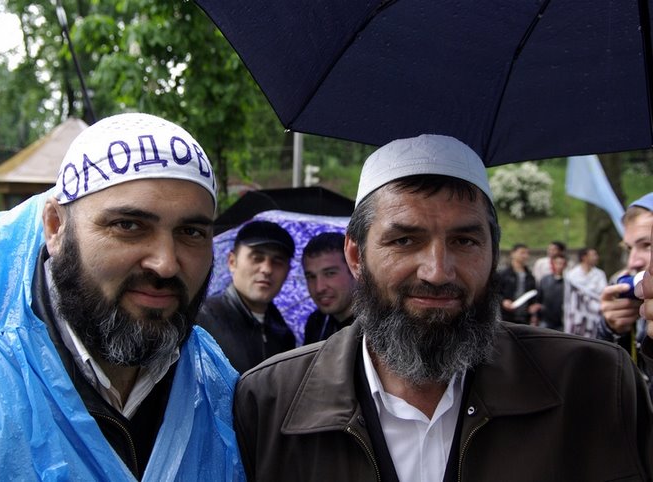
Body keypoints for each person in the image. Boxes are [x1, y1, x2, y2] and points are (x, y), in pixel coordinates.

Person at [233, 134, 653, 481]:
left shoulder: (596, 385)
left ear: (493, 253)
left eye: (464, 241)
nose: (437, 271)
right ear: (356, 256)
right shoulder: (270, 402)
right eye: (404, 241)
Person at [0, 113, 244, 480]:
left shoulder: (216, 383)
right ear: (55, 226)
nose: (165, 264)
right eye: (128, 225)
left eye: (191, 232)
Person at [197, 220, 296, 373]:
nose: (267, 269)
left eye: (277, 261)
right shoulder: (201, 321)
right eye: (257, 258)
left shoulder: (284, 334)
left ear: (288, 271)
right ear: (232, 262)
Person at [598, 193, 653, 358]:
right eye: (629, 248)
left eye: (647, 245)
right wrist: (611, 330)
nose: (632, 262)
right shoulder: (628, 290)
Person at [301, 231, 356, 344]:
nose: (319, 288)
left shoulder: (377, 325)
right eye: (311, 277)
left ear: (354, 270)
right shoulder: (316, 323)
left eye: (330, 273)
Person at [498, 243, 540, 324]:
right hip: (506, 318)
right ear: (512, 254)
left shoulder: (530, 276)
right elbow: (495, 293)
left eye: (527, 253)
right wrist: (503, 301)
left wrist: (533, 306)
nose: (525, 256)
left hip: (525, 319)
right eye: (522, 253)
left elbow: (533, 295)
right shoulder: (503, 274)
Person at [536, 252, 567, 331]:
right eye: (557, 263)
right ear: (552, 264)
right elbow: (539, 299)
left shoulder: (568, 282)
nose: (559, 266)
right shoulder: (545, 280)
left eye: (562, 263)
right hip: (546, 319)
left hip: (562, 320)